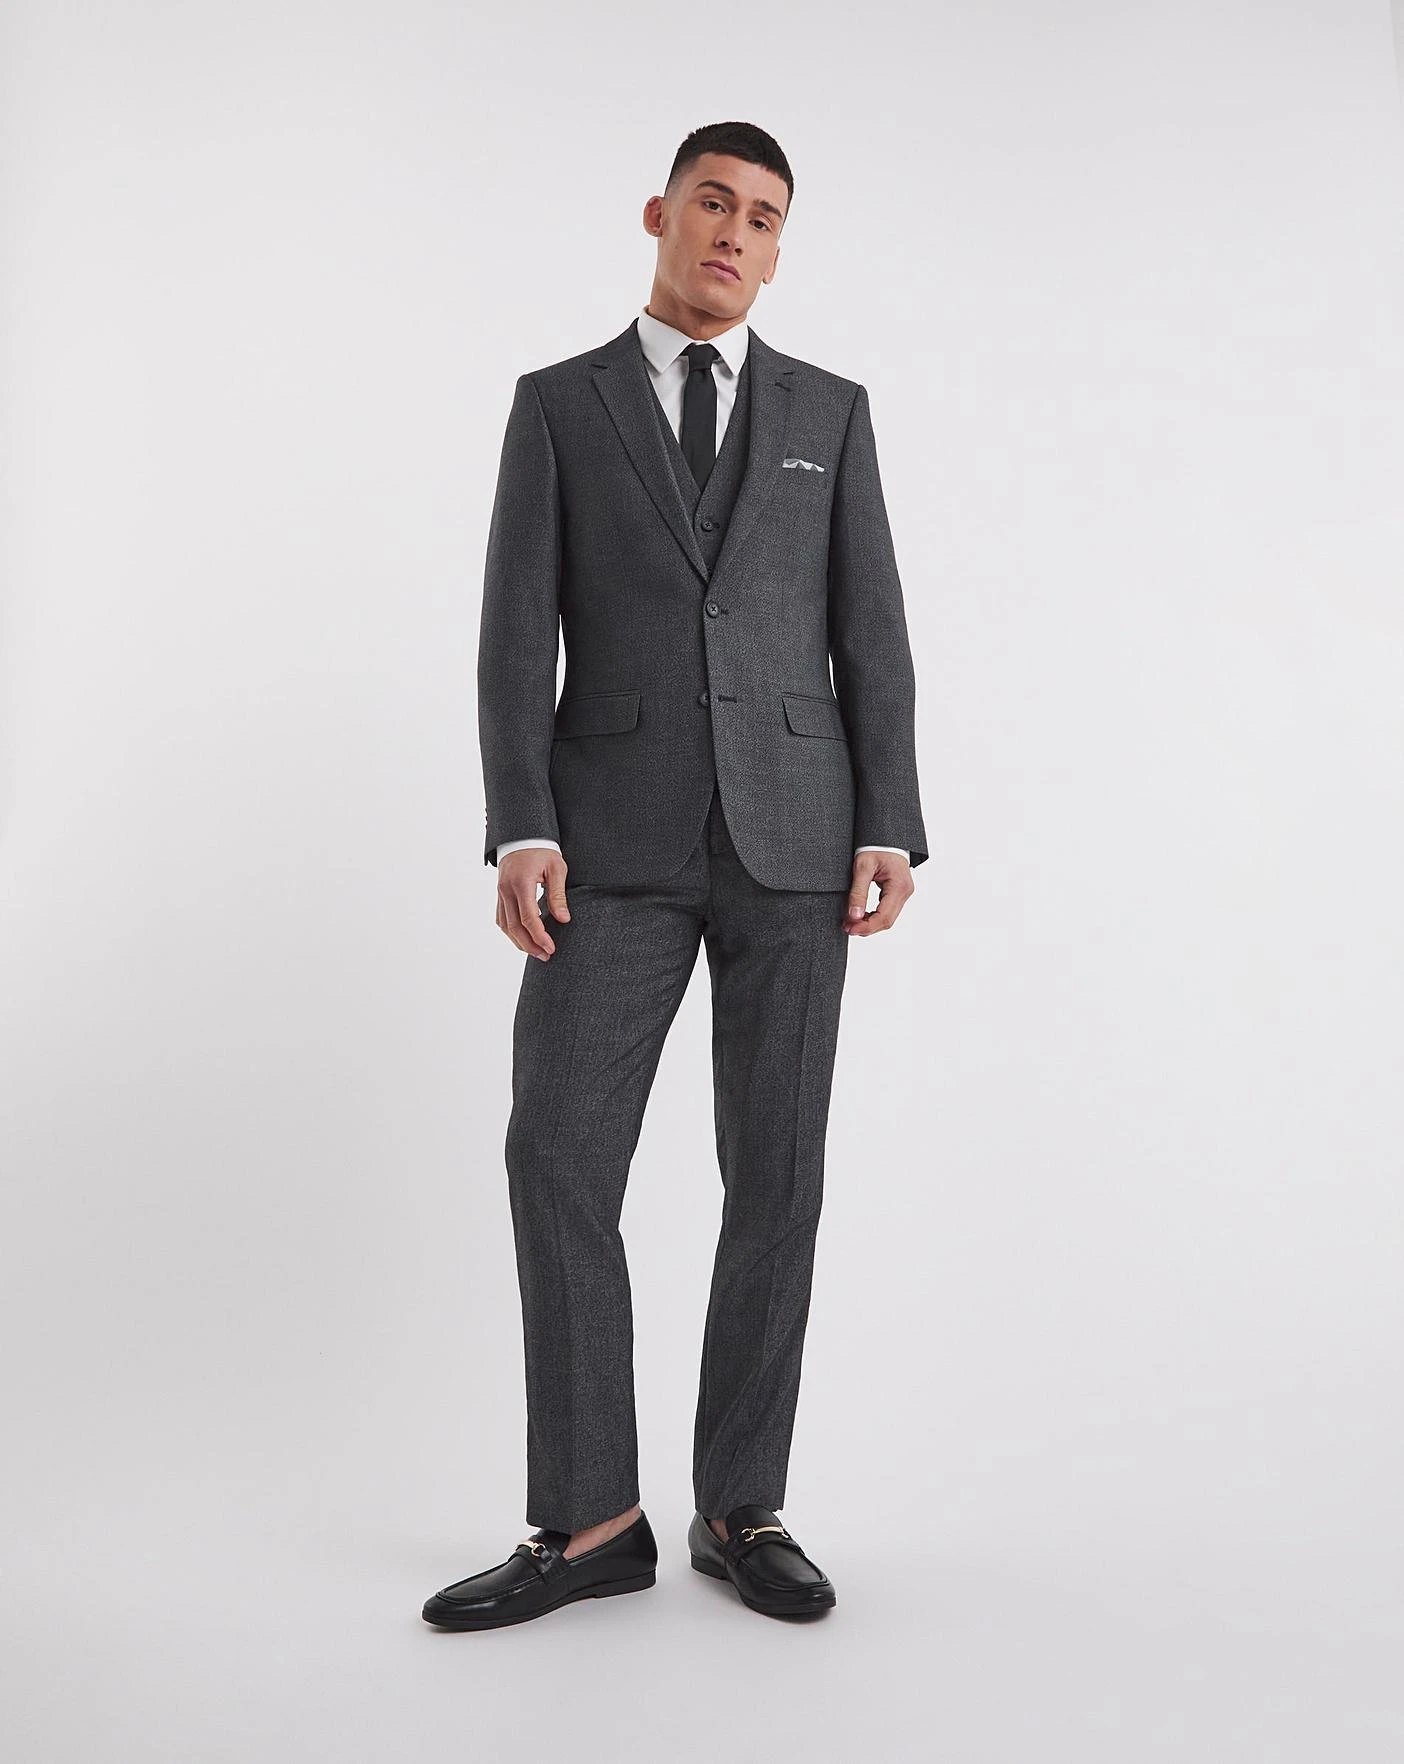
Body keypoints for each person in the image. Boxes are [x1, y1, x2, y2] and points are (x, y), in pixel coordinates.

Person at [422, 119, 926, 1631]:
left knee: (777, 1173)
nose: (734, 234)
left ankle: (741, 1505)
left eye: (764, 218)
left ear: (778, 251)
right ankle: (591, 1522)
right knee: (558, 1156)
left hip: (795, 838)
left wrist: (890, 820)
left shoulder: (828, 413)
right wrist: (521, 823)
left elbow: (872, 629)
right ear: (660, 213)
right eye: (714, 203)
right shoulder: (560, 405)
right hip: (609, 846)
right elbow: (515, 634)